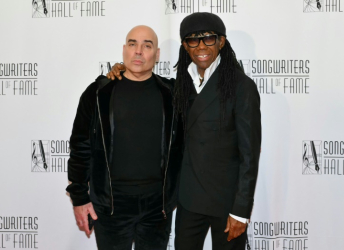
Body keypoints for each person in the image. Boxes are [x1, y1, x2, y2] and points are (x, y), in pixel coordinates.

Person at [108, 12, 261, 250]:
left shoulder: (241, 87)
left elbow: (250, 155)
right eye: (193, 40)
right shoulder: (179, 86)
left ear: (221, 42)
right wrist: (119, 71)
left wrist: (241, 211)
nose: (201, 46)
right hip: (188, 201)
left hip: (226, 203)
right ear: (184, 46)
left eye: (208, 38)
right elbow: (145, 81)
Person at [66, 25, 182, 250]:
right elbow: (80, 146)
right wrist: (79, 198)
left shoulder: (172, 94)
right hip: (110, 207)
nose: (138, 51)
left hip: (157, 208)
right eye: (132, 44)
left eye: (147, 45)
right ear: (124, 50)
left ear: (157, 54)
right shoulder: (98, 93)